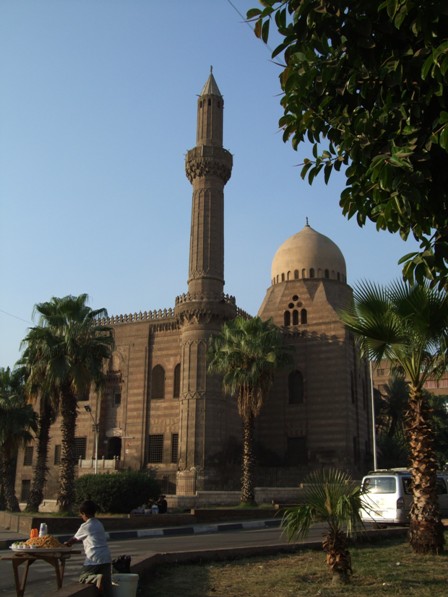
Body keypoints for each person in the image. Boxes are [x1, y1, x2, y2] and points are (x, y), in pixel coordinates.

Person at [64, 500, 112, 596]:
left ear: (84, 514)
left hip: (94, 557)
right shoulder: (99, 524)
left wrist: (67, 544)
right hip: (106, 557)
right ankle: (100, 580)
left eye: (81, 515)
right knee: (106, 587)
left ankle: (96, 578)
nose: (81, 517)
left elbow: (74, 539)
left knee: (83, 577)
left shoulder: (86, 525)